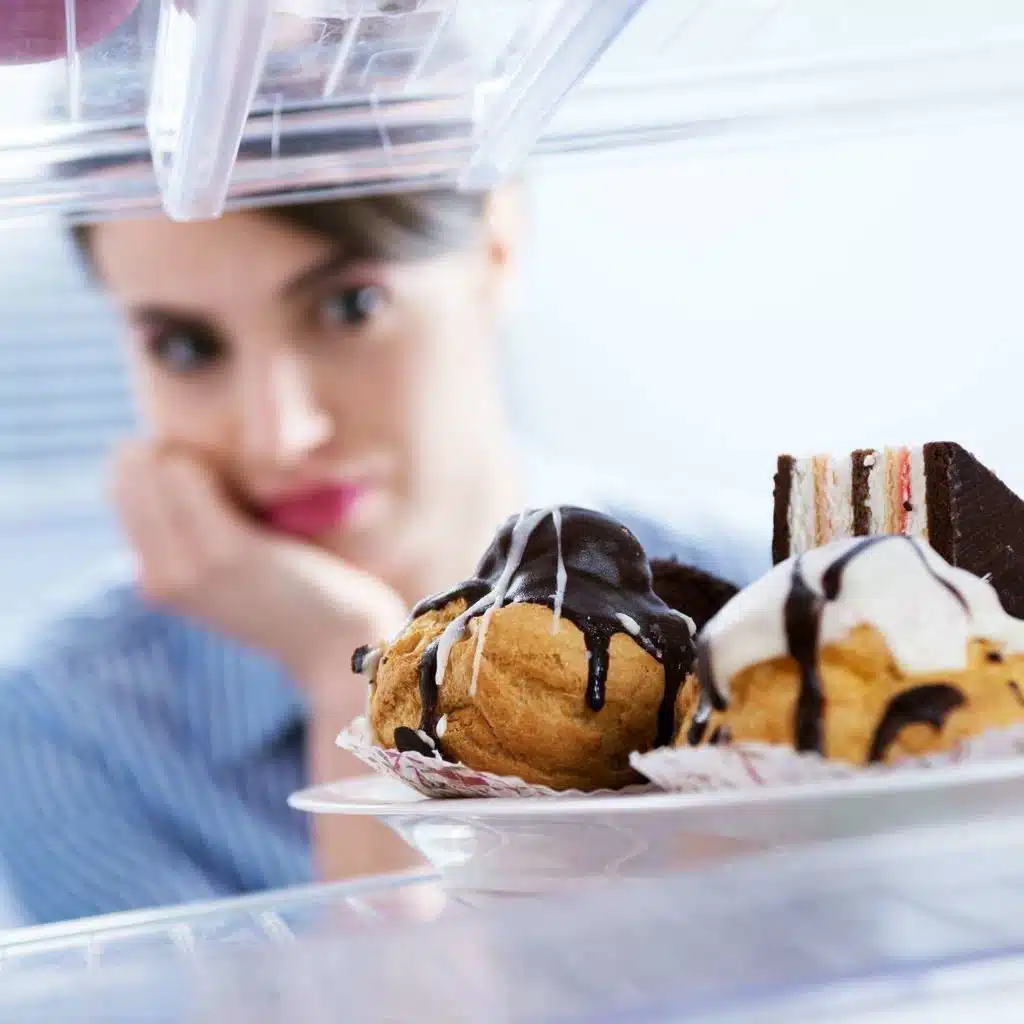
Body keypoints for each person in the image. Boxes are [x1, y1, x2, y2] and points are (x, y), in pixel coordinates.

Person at [0, 185, 741, 926]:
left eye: (349, 308)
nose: (281, 434)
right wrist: (353, 669)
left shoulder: (758, 597)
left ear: (495, 248)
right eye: (186, 347)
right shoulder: (70, 726)